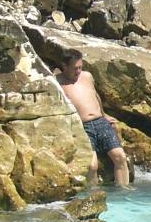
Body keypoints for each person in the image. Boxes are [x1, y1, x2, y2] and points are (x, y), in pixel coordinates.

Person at [55, 48, 130, 188]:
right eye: (75, 68)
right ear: (64, 66)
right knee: (91, 165)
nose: (78, 71)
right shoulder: (57, 82)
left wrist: (104, 115)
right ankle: (95, 196)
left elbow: (95, 95)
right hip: (82, 127)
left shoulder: (87, 76)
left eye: (80, 67)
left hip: (100, 122)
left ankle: (124, 193)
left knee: (120, 156)